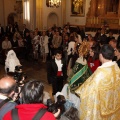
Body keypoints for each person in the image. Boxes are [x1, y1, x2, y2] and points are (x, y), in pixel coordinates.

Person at [75, 44, 120, 119]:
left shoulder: (100, 73)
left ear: (101, 55)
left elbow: (86, 92)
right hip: (113, 107)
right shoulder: (117, 69)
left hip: (101, 110)